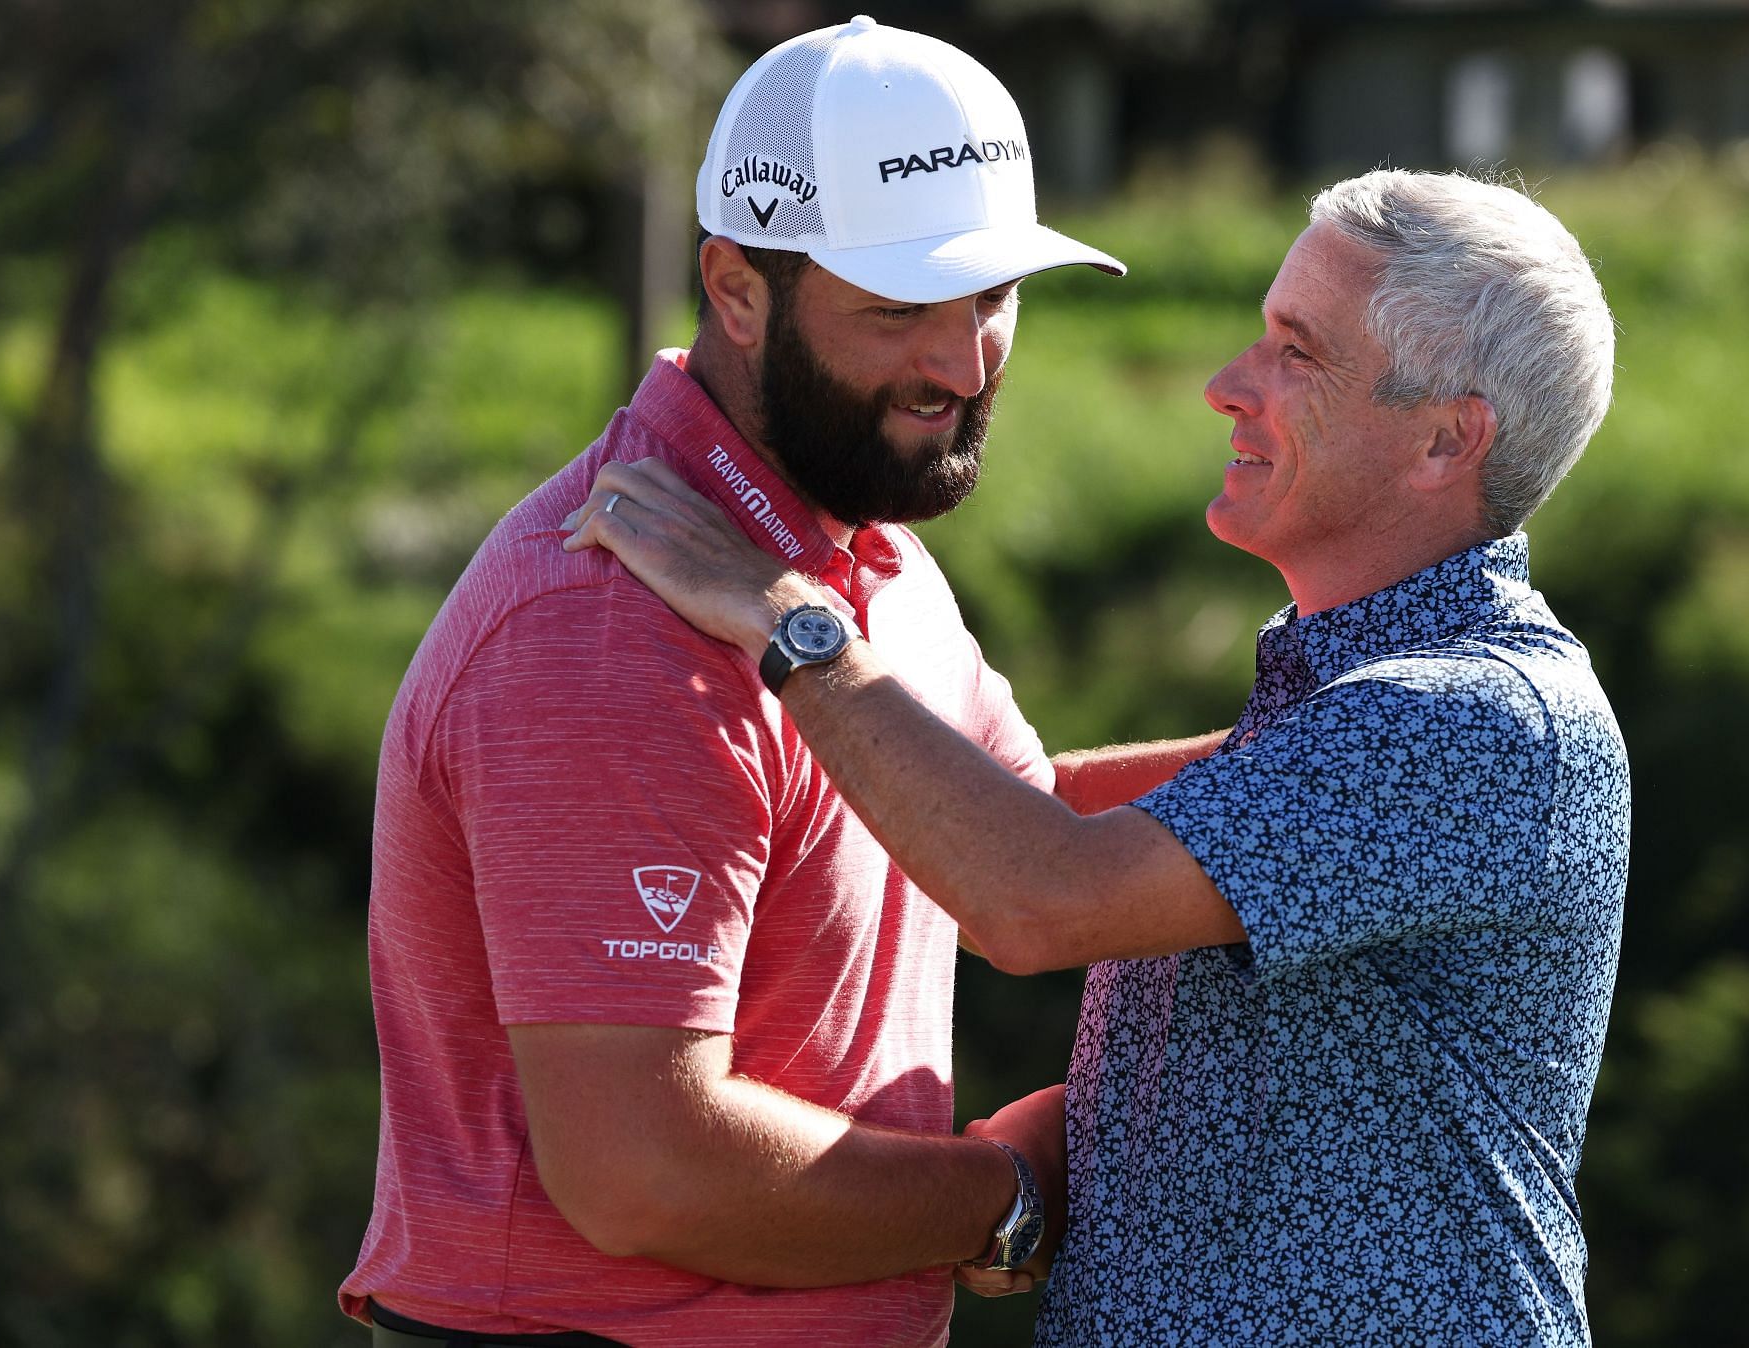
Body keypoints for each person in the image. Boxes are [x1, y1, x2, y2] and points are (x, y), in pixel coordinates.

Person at [565, 168, 1628, 1346]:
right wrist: (1069, 1148)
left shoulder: (1471, 723)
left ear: (1444, 440)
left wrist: (784, 618)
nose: (1229, 386)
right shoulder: (1365, 709)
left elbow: (1032, 896)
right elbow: (1021, 820)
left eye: (1298, 353)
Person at [339, 15, 1154, 1347]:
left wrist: (1359, 753)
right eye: (899, 310)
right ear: (734, 290)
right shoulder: (603, 637)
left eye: (993, 297)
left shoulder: (858, 544)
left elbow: (1018, 818)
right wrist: (1007, 1196)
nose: (961, 365)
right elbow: (644, 1170)